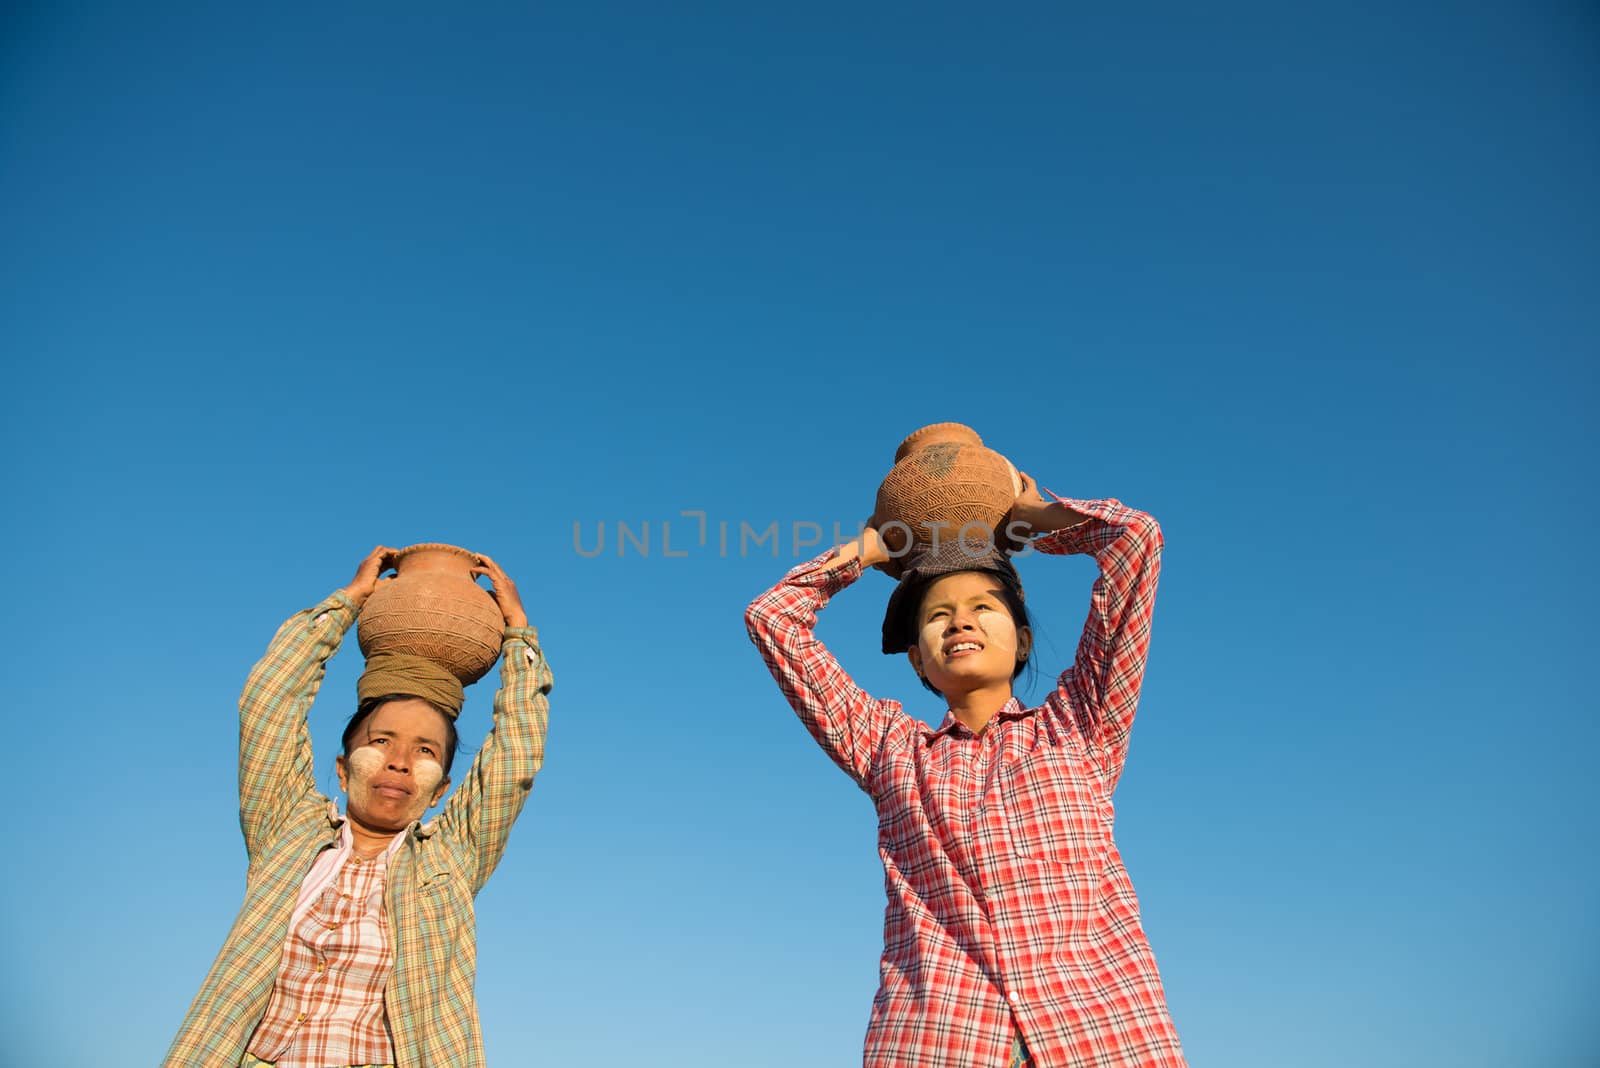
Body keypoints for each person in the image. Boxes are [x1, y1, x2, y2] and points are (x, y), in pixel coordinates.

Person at [745, 477, 1186, 1068]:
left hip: (1100, 1031)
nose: (960, 622)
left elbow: (1137, 541)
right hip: (939, 1038)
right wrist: (867, 550)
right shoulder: (888, 749)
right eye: (938, 616)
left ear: (1023, 639)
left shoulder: (1081, 725)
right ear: (917, 659)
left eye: (983, 607)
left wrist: (1037, 517)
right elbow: (772, 620)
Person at [163, 546, 552, 1068]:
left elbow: (516, 755)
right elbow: (268, 703)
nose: (399, 762)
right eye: (382, 741)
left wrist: (518, 633)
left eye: (425, 751)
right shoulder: (288, 829)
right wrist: (348, 602)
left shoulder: (451, 857)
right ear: (343, 769)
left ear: (440, 791)